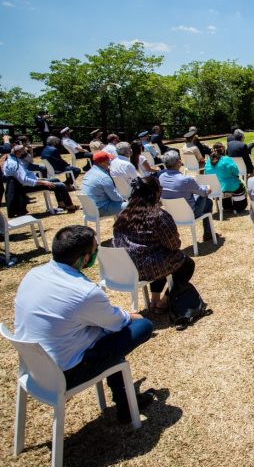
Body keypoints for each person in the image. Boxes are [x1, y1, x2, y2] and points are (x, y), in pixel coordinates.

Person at [14, 225, 156, 423]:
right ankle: (125, 403)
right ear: (84, 257)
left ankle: (125, 401)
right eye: (95, 249)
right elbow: (116, 323)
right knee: (142, 326)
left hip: (35, 367)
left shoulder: (33, 274)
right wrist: (132, 316)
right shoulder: (84, 292)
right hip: (66, 373)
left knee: (107, 333)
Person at [113, 177, 196, 314]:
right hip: (150, 266)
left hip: (128, 267)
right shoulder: (159, 215)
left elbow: (116, 242)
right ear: (156, 193)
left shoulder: (123, 215)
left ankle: (154, 299)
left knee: (158, 257)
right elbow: (174, 245)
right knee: (186, 264)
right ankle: (165, 300)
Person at [3, 144, 78, 214]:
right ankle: (70, 206)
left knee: (56, 180)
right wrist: (43, 182)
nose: (23, 154)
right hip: (27, 187)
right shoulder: (15, 164)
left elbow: (24, 176)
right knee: (61, 185)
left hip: (26, 183)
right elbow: (24, 181)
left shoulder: (10, 160)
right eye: (22, 153)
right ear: (17, 153)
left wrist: (38, 179)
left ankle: (61, 204)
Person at [159, 150, 215, 241]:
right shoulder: (186, 179)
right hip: (190, 214)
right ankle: (208, 234)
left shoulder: (161, 177)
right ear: (178, 162)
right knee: (208, 201)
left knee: (196, 196)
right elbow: (203, 192)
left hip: (172, 214)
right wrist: (208, 188)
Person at [81, 151, 126, 217]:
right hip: (100, 209)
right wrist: (124, 199)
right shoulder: (104, 177)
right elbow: (115, 198)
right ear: (102, 163)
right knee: (131, 206)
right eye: (108, 160)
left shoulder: (88, 173)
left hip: (89, 209)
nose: (110, 162)